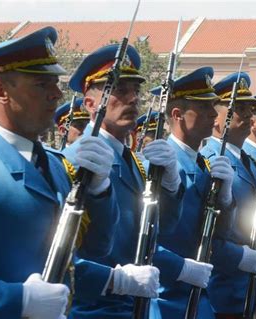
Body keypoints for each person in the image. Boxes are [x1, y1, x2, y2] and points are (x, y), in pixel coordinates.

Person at [0, 26, 119, 319]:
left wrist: (101, 192)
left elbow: (91, 250)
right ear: (0, 92)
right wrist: (17, 300)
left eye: (56, 83)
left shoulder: (56, 166)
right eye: (41, 84)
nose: (56, 94)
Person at [63, 43, 184, 318]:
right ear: (91, 104)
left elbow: (161, 228)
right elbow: (63, 252)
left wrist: (171, 185)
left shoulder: (136, 163)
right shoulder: (74, 162)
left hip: (135, 305)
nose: (132, 99)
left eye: (135, 91)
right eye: (119, 89)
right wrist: (114, 280)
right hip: (91, 310)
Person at [150, 66, 235, 318]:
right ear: (177, 114)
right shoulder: (158, 165)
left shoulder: (205, 165)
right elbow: (140, 237)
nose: (213, 114)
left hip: (198, 295)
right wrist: (180, 268)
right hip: (165, 297)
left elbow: (221, 232)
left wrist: (227, 199)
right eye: (203, 108)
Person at [201, 72, 256, 319]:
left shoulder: (247, 161)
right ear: (217, 119)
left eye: (250, 108)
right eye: (239, 108)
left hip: (249, 283)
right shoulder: (212, 160)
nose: (249, 114)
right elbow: (212, 227)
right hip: (225, 287)